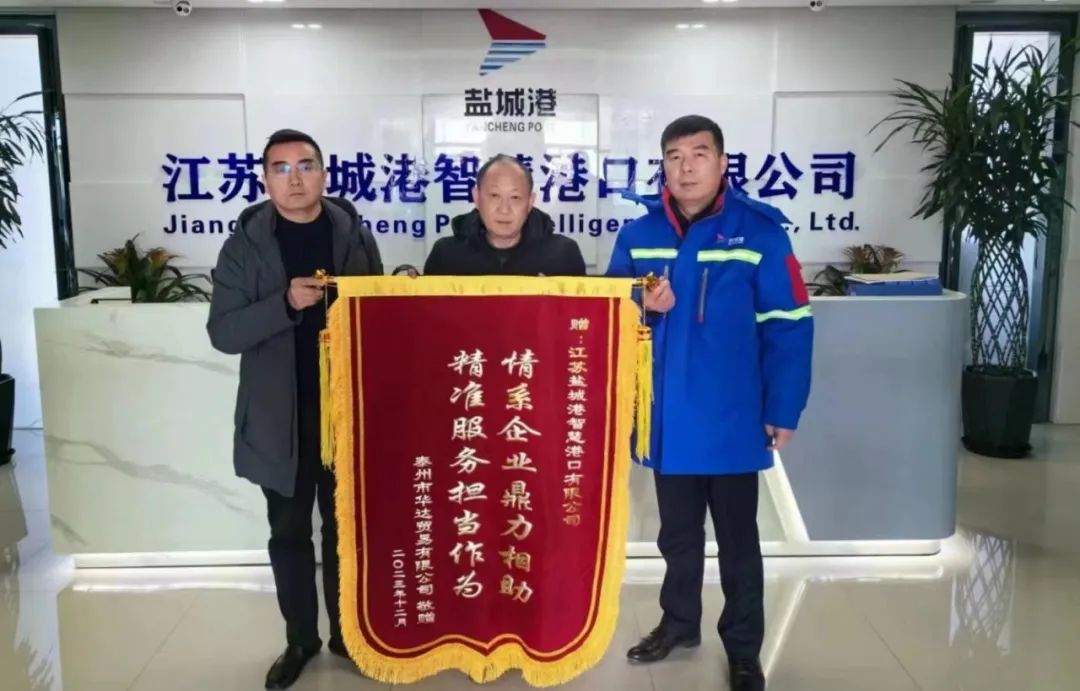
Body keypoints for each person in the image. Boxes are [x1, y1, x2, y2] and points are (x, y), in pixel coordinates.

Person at [606, 115, 813, 691]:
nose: (686, 167)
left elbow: (789, 324)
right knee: (677, 536)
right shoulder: (639, 234)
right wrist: (642, 303)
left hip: (732, 417)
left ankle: (744, 649)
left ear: (723, 164)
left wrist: (784, 407)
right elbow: (608, 312)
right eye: (674, 156)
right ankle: (679, 623)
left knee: (739, 542)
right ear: (663, 167)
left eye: (699, 154)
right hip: (666, 418)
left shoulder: (760, 234)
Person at [207, 129, 383, 690]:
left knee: (344, 531)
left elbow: (377, 317)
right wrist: (284, 303)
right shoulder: (245, 245)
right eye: (281, 169)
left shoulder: (353, 234)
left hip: (344, 415)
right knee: (288, 533)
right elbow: (223, 332)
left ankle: (347, 636)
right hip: (279, 417)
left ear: (324, 173)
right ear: (265, 179)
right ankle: (300, 640)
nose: (295, 178)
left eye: (305, 165)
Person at [423, 154, 587, 277]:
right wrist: (411, 286)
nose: (504, 210)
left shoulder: (563, 254)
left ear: (530, 202)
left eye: (515, 197)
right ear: (477, 198)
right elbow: (429, 311)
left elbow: (581, 311)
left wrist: (552, 302)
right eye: (494, 196)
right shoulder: (446, 255)